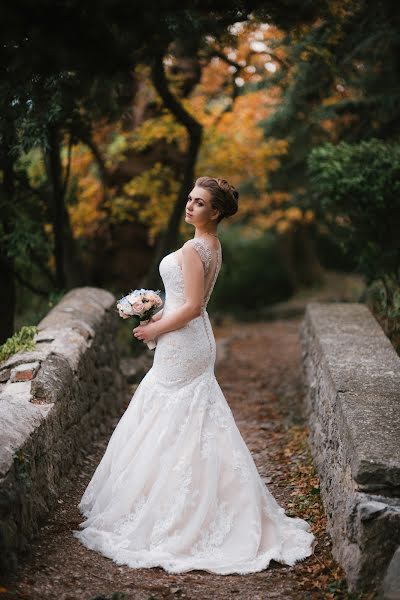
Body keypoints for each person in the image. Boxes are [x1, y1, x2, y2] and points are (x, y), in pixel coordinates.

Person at [73, 176, 316, 574]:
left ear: (215, 212)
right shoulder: (212, 245)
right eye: (189, 199)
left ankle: (175, 513)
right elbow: (192, 302)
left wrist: (153, 327)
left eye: (199, 202)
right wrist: (155, 308)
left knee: (172, 416)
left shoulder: (192, 248)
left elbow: (190, 307)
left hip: (184, 341)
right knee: (188, 420)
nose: (189, 206)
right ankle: (192, 499)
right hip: (191, 341)